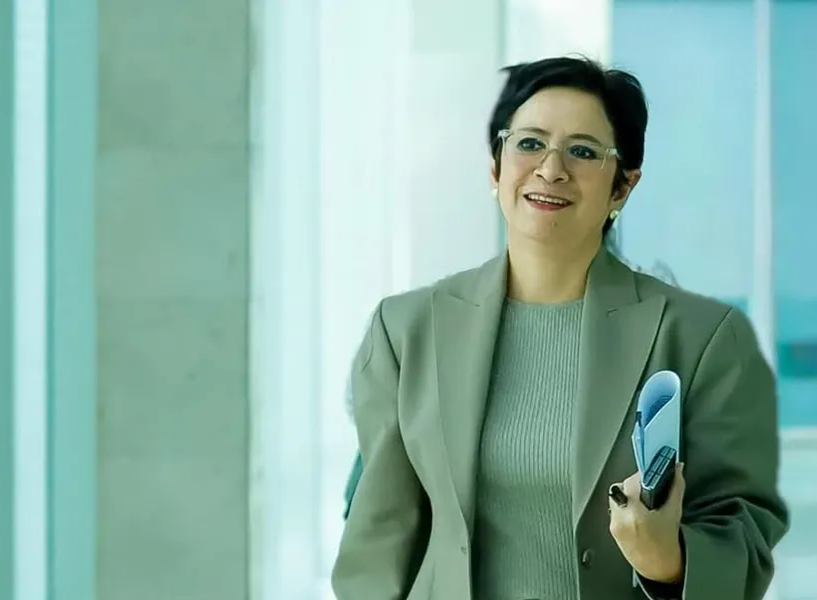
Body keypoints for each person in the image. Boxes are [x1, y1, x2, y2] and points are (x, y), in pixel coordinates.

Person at [331, 55, 789, 600]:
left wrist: (667, 562)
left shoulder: (705, 339)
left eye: (583, 151)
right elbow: (377, 546)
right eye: (528, 143)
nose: (551, 169)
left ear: (622, 187)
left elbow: (746, 540)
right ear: (495, 168)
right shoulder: (405, 331)